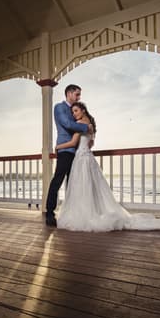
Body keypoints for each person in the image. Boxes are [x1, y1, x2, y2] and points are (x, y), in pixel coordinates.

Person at [56, 102, 160, 232]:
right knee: (91, 187)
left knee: (82, 187)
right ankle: (92, 213)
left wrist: (58, 147)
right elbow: (91, 143)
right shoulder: (90, 125)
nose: (74, 114)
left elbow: (73, 142)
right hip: (88, 157)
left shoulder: (80, 125)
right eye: (73, 112)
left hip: (81, 159)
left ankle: (84, 215)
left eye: (76, 111)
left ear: (83, 110)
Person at [45, 84, 93, 226]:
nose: (79, 97)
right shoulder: (59, 107)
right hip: (65, 149)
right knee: (58, 180)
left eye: (79, 95)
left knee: (73, 183)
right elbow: (66, 124)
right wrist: (86, 127)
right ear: (69, 93)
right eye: (77, 94)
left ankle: (72, 213)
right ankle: (49, 212)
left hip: (77, 152)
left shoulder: (76, 110)